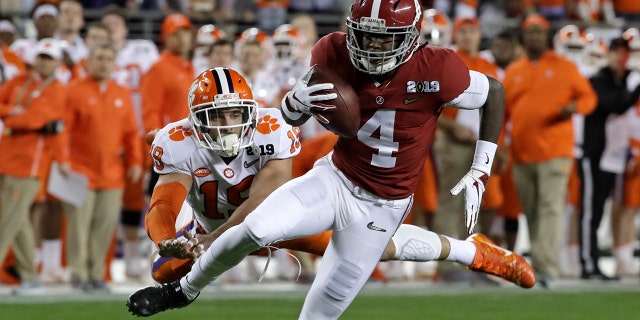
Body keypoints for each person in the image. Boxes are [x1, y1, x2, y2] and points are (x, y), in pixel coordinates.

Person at [127, 1, 534, 318]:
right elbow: (288, 118)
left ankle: (472, 252)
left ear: (412, 37)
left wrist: (481, 164)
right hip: (335, 178)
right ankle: (182, 292)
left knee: (320, 312)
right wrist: (294, 102)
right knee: (256, 227)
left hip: (385, 202)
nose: (372, 47)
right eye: (366, 35)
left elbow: (493, 93)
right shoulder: (333, 52)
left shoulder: (438, 68)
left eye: (385, 38)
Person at [503, 15, 597, 288]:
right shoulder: (514, 71)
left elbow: (588, 98)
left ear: (547, 37)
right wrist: (499, 148)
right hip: (522, 154)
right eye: (529, 32)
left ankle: (548, 269)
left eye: (539, 32)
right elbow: (502, 113)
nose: (534, 37)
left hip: (556, 151)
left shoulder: (565, 67)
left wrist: (574, 109)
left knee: (551, 208)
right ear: (523, 37)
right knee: (532, 211)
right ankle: (542, 266)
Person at [62, 43, 142, 291]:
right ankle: (78, 274)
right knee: (78, 227)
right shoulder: (73, 90)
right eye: (99, 57)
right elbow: (62, 131)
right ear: (87, 62)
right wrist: (63, 161)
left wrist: (136, 161)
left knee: (103, 229)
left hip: (112, 173)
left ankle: (96, 274)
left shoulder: (121, 92)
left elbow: (130, 132)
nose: (104, 63)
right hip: (79, 170)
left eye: (108, 58)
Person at [0, 38, 67, 295]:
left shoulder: (58, 89)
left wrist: (11, 115)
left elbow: (35, 119)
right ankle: (31, 278)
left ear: (58, 63)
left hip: (29, 166)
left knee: (6, 222)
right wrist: (13, 112)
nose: (43, 61)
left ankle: (30, 277)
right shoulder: (19, 80)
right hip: (6, 158)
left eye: (49, 58)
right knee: (17, 223)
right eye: (41, 56)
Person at [578, 37, 640, 280]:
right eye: (615, 52)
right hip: (594, 154)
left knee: (600, 211)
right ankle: (588, 264)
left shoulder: (621, 80)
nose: (620, 57)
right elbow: (616, 105)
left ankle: (593, 262)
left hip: (612, 155)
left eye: (623, 52)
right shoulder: (598, 80)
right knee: (590, 212)